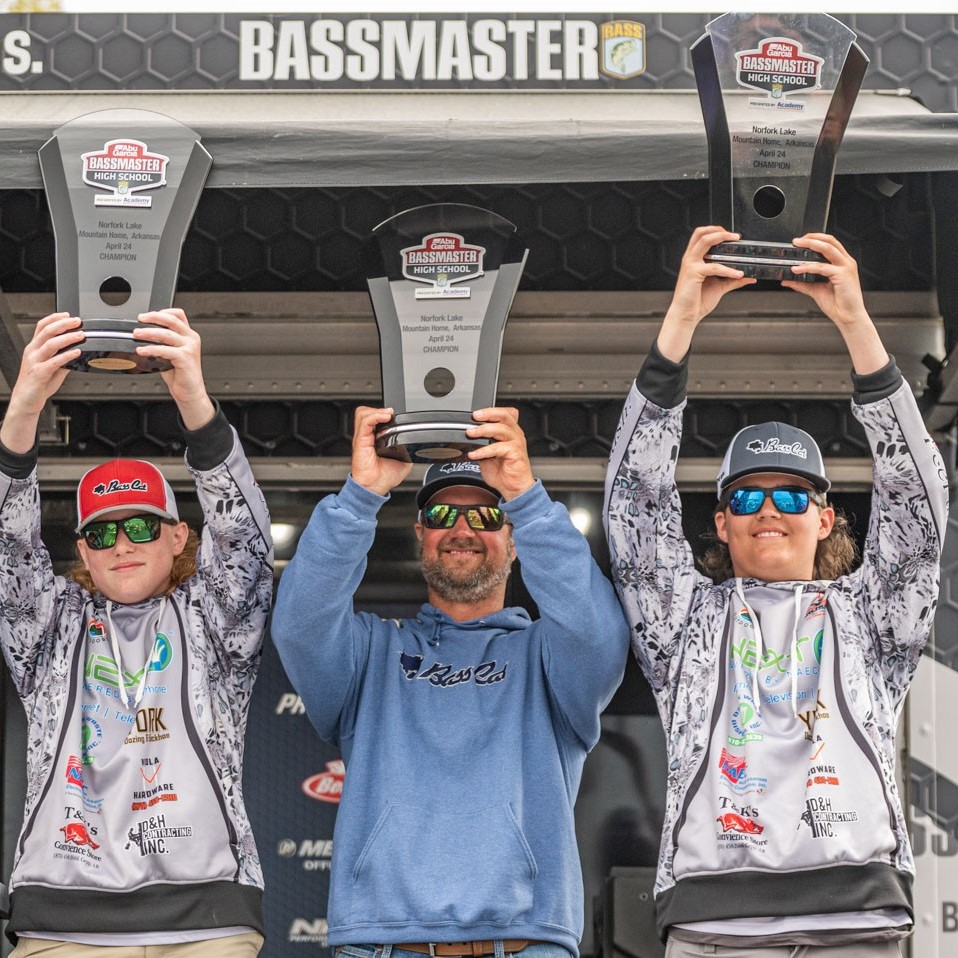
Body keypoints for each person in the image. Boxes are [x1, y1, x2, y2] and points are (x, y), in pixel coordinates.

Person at [604, 227, 948, 955]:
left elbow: (917, 505)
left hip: (857, 922)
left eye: (792, 496)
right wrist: (681, 320)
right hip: (712, 926)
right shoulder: (683, 622)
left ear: (824, 519)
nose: (769, 510)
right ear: (720, 522)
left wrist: (855, 323)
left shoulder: (871, 617)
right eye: (747, 496)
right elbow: (635, 500)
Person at [271, 405, 629, 958]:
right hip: (383, 947)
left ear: (514, 538)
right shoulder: (371, 653)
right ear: (421, 533)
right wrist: (361, 496)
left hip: (524, 944)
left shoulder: (548, 656)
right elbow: (300, 622)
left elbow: (598, 635)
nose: (462, 530)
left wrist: (526, 497)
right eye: (442, 514)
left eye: (486, 515)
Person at [0, 309, 274, 955]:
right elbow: (8, 546)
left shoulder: (214, 621)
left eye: (142, 526)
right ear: (83, 552)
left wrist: (192, 396)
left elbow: (243, 542)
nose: (122, 544)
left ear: (178, 537)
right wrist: (25, 406)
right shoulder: (49, 625)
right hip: (62, 922)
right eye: (101, 534)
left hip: (208, 919)